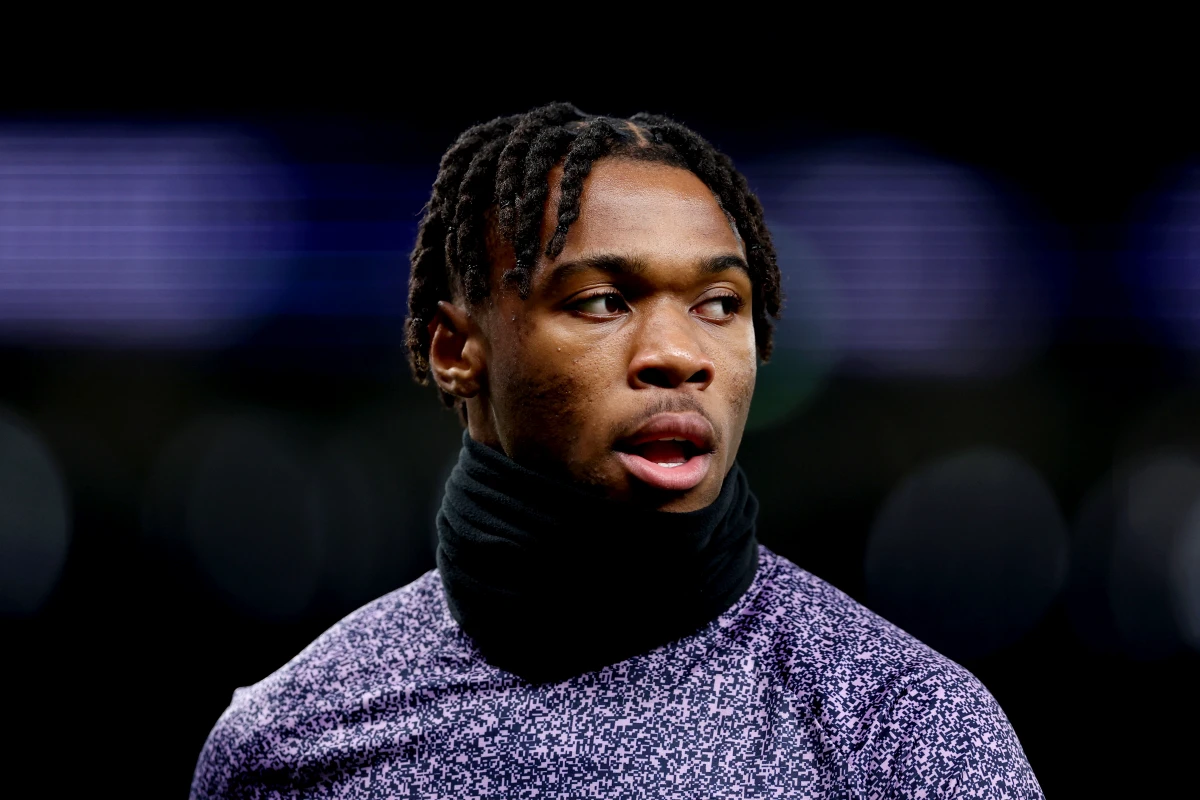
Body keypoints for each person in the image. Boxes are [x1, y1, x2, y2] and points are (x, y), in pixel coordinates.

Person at [191, 103, 1043, 798]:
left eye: (719, 303)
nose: (679, 353)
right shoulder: (294, 742)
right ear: (457, 351)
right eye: (602, 300)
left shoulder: (907, 730)